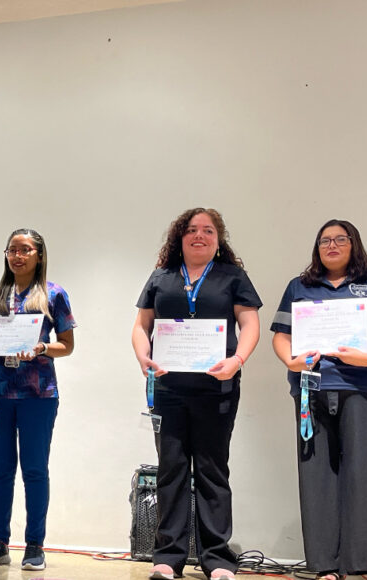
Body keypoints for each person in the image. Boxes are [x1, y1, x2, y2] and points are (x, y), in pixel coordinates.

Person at [270, 219, 367, 578]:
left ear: (353, 244)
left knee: (366, 475)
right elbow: (281, 335)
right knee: (317, 477)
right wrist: (290, 360)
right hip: (311, 390)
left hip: (362, 388)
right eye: (324, 240)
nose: (331, 245)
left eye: (340, 239)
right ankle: (325, 565)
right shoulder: (299, 286)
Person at [130, 208, 261, 580]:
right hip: (168, 390)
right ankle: (167, 558)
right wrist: (143, 357)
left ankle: (217, 559)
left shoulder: (233, 277)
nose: (199, 235)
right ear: (180, 237)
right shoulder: (162, 276)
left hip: (217, 389)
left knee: (211, 471)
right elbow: (141, 326)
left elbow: (250, 323)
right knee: (171, 471)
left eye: (207, 230)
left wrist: (237, 359)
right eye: (191, 230)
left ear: (218, 239)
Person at [0, 228, 75, 572]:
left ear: (39, 255)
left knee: (34, 470)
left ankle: (34, 545)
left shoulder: (54, 294)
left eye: (25, 250)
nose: (17, 256)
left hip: (38, 394)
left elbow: (67, 345)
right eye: (12, 250)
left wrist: (42, 347)